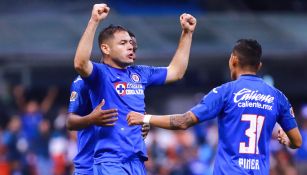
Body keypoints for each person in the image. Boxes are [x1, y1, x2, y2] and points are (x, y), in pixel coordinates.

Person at [127, 39, 302, 175]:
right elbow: (297, 141)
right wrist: (287, 141)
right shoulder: (278, 97)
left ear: (233, 60)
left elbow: (183, 121)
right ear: (259, 66)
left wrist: (145, 118)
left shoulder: (225, 92)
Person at [73, 3, 196, 175]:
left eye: (130, 43)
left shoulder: (140, 73)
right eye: (123, 43)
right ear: (105, 48)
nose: (130, 46)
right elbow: (80, 63)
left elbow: (176, 72)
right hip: (111, 160)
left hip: (137, 159)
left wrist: (187, 33)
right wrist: (94, 21)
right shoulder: (100, 74)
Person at [67, 32, 150, 175]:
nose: (132, 53)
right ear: (108, 49)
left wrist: (143, 124)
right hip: (89, 165)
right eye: (124, 45)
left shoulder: (131, 84)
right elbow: (70, 122)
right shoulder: (83, 82)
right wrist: (91, 119)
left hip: (122, 165)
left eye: (134, 49)